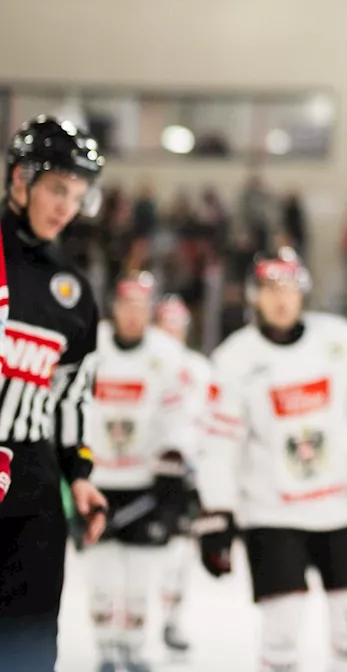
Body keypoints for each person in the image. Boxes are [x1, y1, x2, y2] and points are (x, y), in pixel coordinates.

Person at [197, 248, 347, 672]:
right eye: (270, 288)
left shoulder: (337, 339)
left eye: (288, 287)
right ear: (254, 295)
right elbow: (218, 444)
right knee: (281, 636)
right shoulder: (234, 358)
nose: (280, 298)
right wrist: (217, 510)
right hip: (270, 513)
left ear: (302, 291)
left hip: (341, 507)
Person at [0, 115, 110, 670]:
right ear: (20, 180)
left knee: (28, 648)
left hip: (35, 489)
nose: (67, 206)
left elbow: (70, 396)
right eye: (57, 189)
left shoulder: (73, 293)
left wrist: (80, 475)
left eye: (78, 194)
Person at [85, 272, 195, 672]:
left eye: (140, 307)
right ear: (114, 307)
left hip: (144, 485)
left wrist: (172, 459)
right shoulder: (90, 345)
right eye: (126, 305)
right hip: (96, 484)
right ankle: (105, 649)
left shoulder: (166, 353)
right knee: (100, 577)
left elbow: (179, 412)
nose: (133, 315)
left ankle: (132, 645)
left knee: (138, 578)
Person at [152, 293, 211, 655]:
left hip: (186, 476)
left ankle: (172, 618)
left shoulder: (200, 369)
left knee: (179, 554)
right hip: (147, 473)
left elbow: (209, 419)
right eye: (166, 323)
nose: (171, 332)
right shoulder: (143, 363)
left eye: (177, 325)